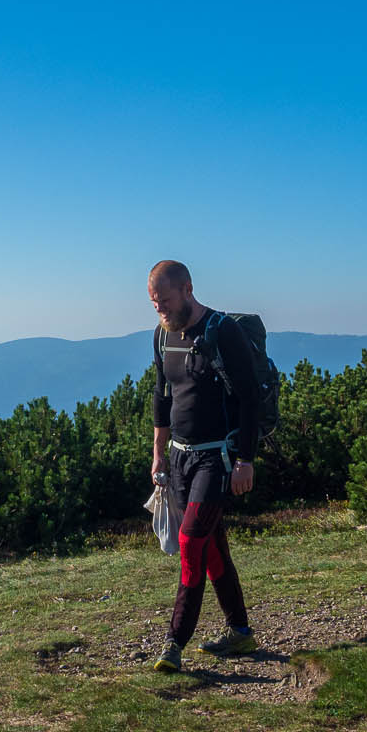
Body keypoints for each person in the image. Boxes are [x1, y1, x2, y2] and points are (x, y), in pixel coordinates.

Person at [146, 260, 262, 672]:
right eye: (154, 303)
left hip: (219, 456)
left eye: (165, 301)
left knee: (192, 543)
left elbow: (250, 398)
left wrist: (246, 460)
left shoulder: (222, 331)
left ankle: (174, 642)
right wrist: (158, 453)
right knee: (211, 547)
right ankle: (240, 633)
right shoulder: (162, 336)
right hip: (179, 457)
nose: (160, 310)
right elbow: (162, 397)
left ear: (188, 289)